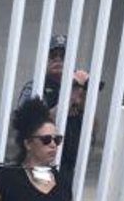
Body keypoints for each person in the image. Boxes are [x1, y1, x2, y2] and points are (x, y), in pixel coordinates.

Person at [16, 34, 96, 169]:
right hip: (41, 162)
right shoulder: (34, 87)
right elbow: (32, 124)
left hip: (70, 163)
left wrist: (83, 98)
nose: (58, 60)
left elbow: (92, 128)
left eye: (63, 57)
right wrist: (70, 98)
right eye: (53, 56)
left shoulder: (76, 88)